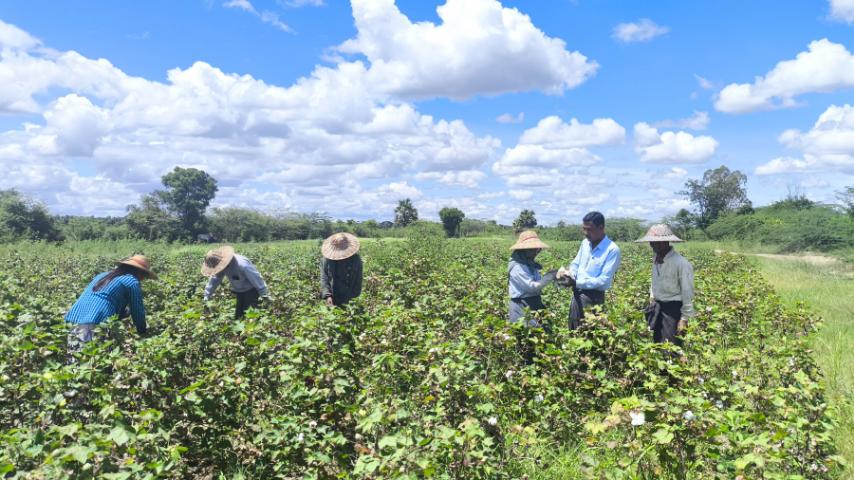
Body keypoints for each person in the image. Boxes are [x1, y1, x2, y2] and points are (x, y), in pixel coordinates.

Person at [65, 255, 156, 358]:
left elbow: (106, 299)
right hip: (96, 320)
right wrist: (142, 332)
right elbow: (137, 311)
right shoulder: (131, 281)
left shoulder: (103, 275)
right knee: (97, 359)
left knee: (74, 358)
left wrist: (123, 313)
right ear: (140, 272)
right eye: (144, 276)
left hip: (73, 317)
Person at [557, 211, 621, 329]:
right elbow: (576, 264)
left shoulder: (612, 250)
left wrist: (576, 282)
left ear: (601, 228)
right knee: (574, 330)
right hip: (577, 294)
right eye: (584, 229)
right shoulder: (585, 243)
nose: (586, 233)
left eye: (589, 230)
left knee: (591, 332)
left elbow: (604, 281)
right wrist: (570, 275)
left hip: (594, 298)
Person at [636, 224, 695, 345]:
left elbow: (687, 292)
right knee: (657, 344)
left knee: (671, 347)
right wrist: (652, 299)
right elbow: (654, 281)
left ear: (666, 242)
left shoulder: (681, 263)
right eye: (651, 242)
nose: (653, 245)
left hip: (673, 310)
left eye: (657, 242)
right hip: (657, 307)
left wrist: (684, 319)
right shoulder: (656, 259)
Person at [201, 246, 269, 319]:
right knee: (238, 317)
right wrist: (206, 296)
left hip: (252, 291)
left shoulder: (242, 265)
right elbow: (215, 279)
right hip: (239, 291)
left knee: (249, 316)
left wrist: (265, 296)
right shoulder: (221, 266)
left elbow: (257, 279)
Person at [508, 231, 557, 328]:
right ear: (523, 250)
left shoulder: (529, 264)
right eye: (532, 249)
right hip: (521, 305)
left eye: (537, 249)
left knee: (541, 331)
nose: (535, 252)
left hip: (534, 303)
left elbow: (537, 283)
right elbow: (531, 287)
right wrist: (549, 276)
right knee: (525, 332)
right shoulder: (518, 266)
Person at [320, 233, 363, 306]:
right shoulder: (327, 260)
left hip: (350, 297)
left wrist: (354, 297)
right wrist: (328, 296)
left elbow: (358, 279)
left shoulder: (355, 259)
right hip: (333, 295)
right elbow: (324, 278)